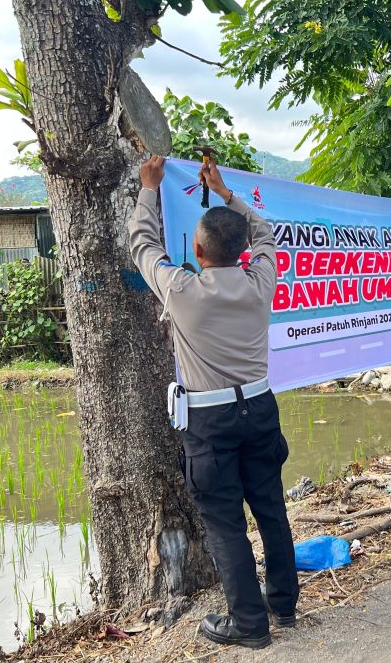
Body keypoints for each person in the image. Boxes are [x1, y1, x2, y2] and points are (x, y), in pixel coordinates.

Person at [129, 155, 298, 649]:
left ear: (198, 250)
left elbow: (143, 244)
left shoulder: (181, 289)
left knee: (225, 524)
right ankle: (283, 605)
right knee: (271, 510)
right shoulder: (261, 280)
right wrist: (225, 192)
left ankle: (249, 624)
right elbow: (266, 234)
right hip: (260, 408)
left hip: (209, 420)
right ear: (242, 251)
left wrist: (149, 188)